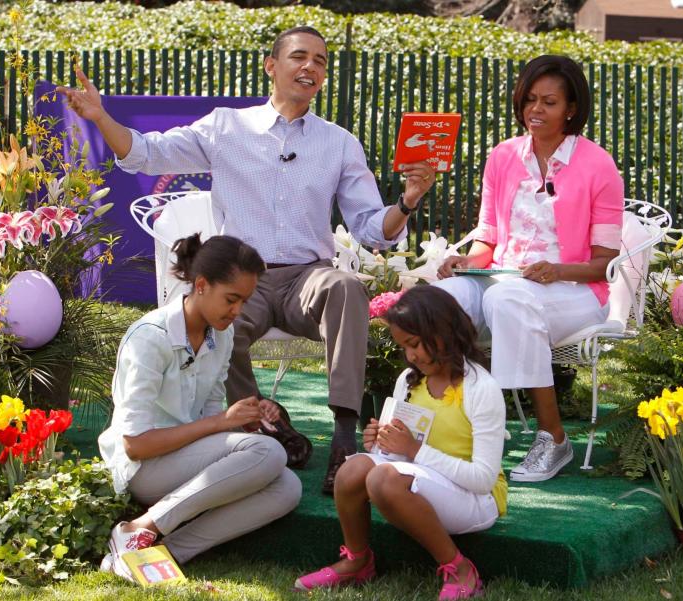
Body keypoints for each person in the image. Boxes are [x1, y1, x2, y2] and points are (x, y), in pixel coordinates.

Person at [57, 26, 437, 493]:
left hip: (307, 278)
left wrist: (409, 201)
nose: (310, 67)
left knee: (346, 287)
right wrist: (99, 117)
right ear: (271, 66)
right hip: (244, 277)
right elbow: (148, 154)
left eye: (319, 60)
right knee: (222, 319)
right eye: (299, 57)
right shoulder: (225, 127)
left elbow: (369, 229)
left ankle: (343, 436)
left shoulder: (339, 143)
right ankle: (264, 423)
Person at [434, 55, 624, 483]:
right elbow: (489, 239)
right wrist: (466, 262)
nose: (535, 110)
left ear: (571, 108)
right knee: (441, 301)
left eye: (549, 102)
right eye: (530, 100)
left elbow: (603, 263)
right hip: (504, 280)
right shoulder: (503, 157)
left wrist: (556, 270)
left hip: (575, 292)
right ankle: (456, 420)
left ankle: (553, 437)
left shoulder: (598, 165)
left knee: (507, 297)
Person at [97, 234, 301, 580]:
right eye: (231, 299)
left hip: (184, 460)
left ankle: (165, 553)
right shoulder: (150, 338)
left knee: (288, 487)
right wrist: (223, 422)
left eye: (244, 301)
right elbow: (134, 444)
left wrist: (247, 422)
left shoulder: (222, 334)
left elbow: (210, 419)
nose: (237, 311)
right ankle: (138, 527)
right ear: (202, 285)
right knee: (268, 453)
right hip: (142, 468)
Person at [294, 286, 506, 600]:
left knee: (382, 478)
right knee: (351, 469)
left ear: (444, 331)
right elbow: (399, 457)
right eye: (404, 347)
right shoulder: (408, 380)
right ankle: (358, 561)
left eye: (415, 344)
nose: (411, 356)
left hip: (477, 500)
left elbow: (483, 479)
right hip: (423, 479)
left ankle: (460, 569)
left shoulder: (481, 388)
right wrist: (380, 443)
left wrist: (413, 450)